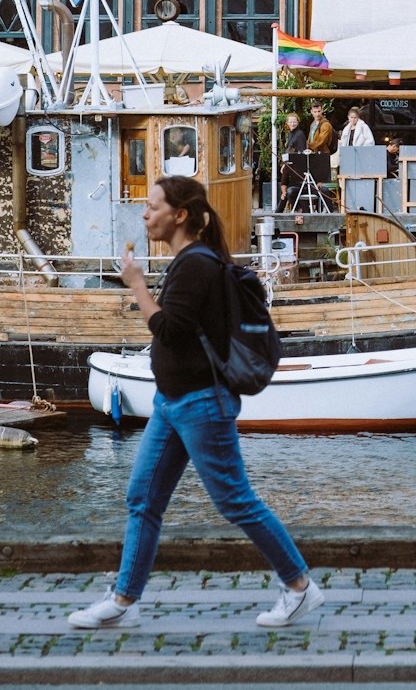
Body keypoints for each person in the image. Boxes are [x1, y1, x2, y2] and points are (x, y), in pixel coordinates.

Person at [68, 176, 322, 632]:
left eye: (152, 207)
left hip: (201, 402)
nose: (145, 214)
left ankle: (299, 586)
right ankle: (124, 599)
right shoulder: (191, 262)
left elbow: (169, 329)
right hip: (173, 402)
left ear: (179, 215)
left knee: (234, 500)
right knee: (142, 499)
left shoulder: (194, 266)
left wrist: (137, 286)